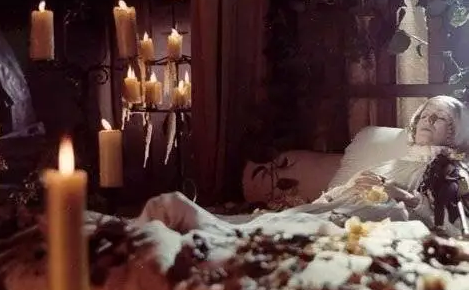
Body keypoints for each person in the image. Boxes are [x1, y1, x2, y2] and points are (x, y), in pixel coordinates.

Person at [136, 96, 469, 236]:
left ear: (454, 131)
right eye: (425, 114)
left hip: (387, 217)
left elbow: (452, 227)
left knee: (311, 222)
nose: (428, 121)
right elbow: (351, 190)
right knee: (299, 218)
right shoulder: (398, 160)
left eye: (439, 118)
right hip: (348, 204)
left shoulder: (451, 169)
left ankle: (212, 226)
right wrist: (343, 191)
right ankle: (218, 226)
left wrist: (399, 194)